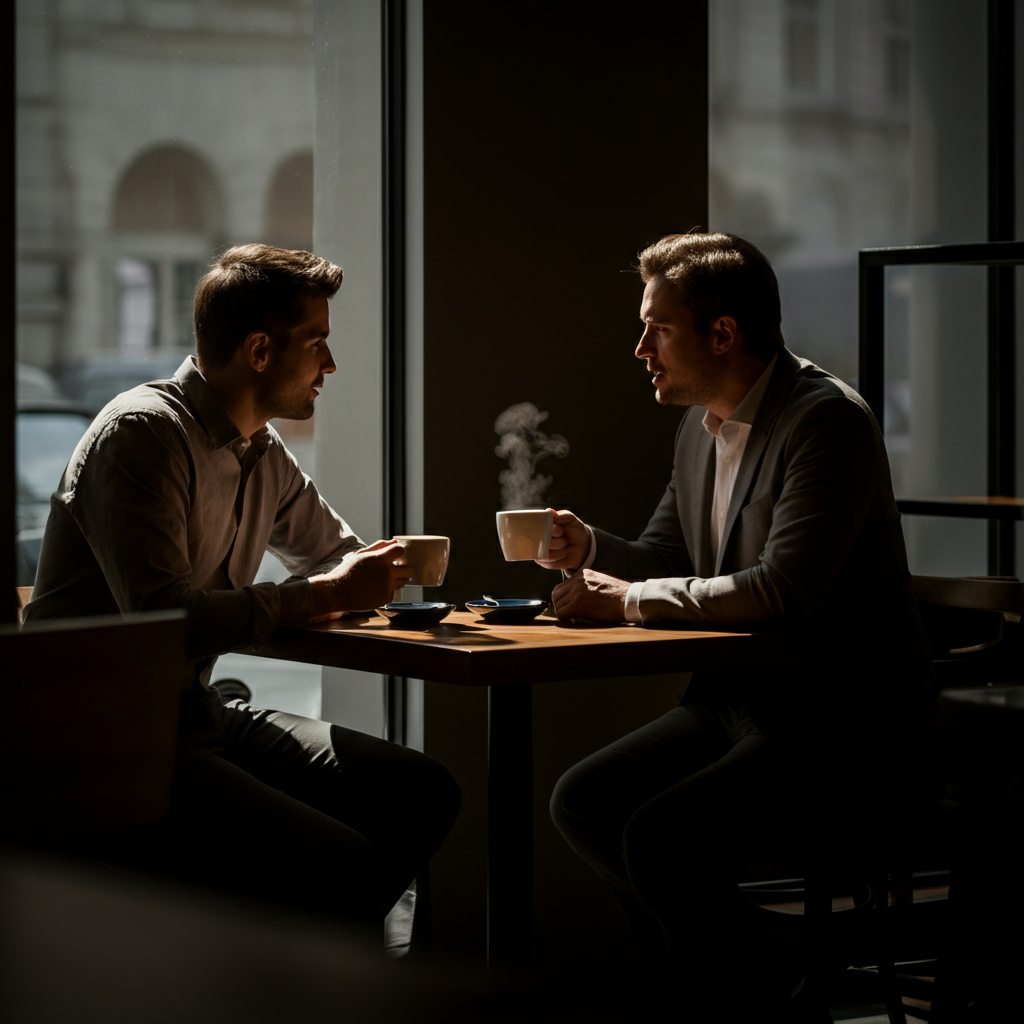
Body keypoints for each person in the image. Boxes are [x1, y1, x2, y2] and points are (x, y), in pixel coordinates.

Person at [541, 232, 933, 1018]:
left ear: (722, 334)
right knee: (583, 802)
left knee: (660, 839)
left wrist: (622, 599)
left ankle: (738, 984)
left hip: (836, 719)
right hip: (737, 701)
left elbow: (783, 592)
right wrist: (595, 549)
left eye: (658, 328)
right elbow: (665, 554)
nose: (639, 347)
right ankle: (752, 973)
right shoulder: (701, 426)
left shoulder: (826, 422)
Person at [25, 244, 460, 933]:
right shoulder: (142, 436)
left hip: (189, 714)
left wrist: (363, 578)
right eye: (317, 343)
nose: (331, 365)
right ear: (261, 351)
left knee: (420, 792)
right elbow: (164, 619)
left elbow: (336, 555)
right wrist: (322, 594)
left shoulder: (261, 448)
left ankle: (289, 967)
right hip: (97, 741)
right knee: (340, 866)